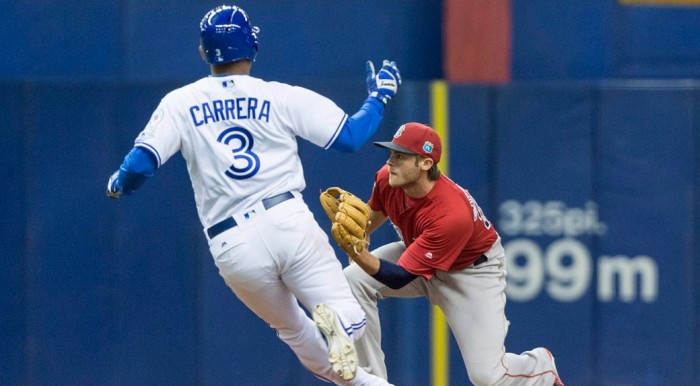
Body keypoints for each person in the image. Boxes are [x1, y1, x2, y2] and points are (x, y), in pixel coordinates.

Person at [105, 5, 401, 385]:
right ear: (252, 46)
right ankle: (339, 327)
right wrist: (380, 96)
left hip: (232, 244)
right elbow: (350, 138)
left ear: (202, 52)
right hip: (286, 220)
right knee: (351, 320)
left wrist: (117, 183)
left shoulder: (179, 103)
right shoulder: (278, 96)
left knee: (295, 332)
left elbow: (140, 166)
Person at [342, 122, 565, 386]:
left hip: (470, 272)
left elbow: (400, 277)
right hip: (418, 250)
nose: (391, 162)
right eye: (391, 153)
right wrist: (360, 232)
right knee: (352, 280)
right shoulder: (387, 178)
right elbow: (374, 214)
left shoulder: (451, 214)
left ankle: (540, 367)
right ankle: (371, 381)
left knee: (488, 377)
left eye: (400, 156)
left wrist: (357, 253)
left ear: (425, 164)